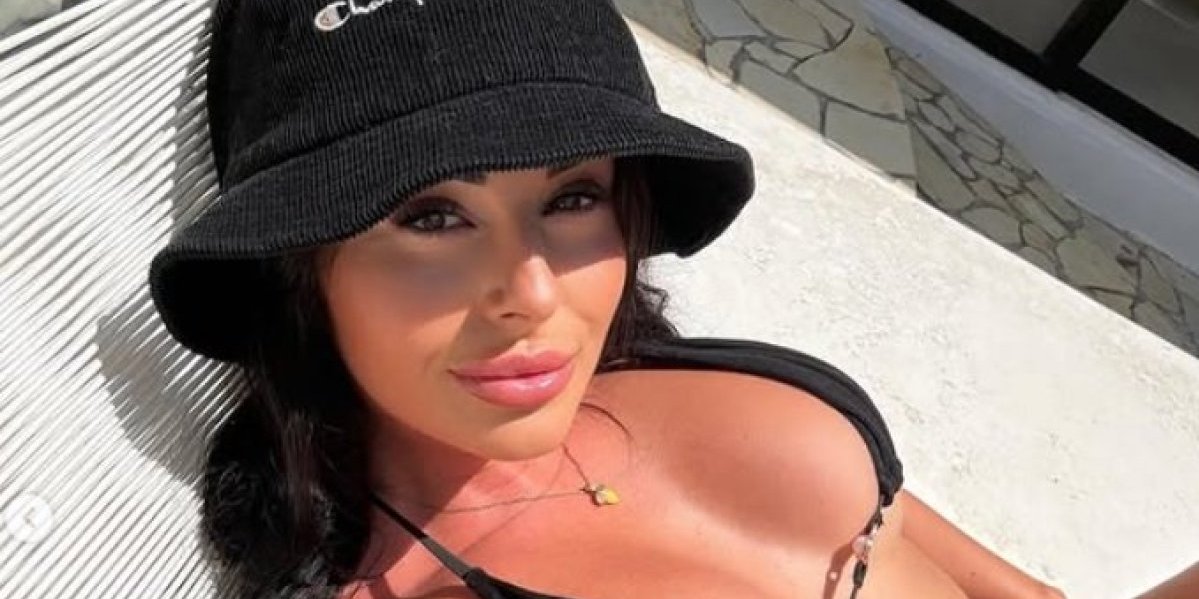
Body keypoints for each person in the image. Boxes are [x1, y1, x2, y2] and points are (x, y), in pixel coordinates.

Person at [147, 0, 1068, 597]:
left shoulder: (690, 378)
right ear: (301, 264)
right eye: (431, 216)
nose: (532, 291)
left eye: (572, 197)